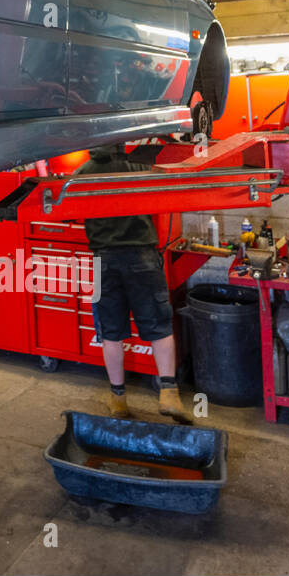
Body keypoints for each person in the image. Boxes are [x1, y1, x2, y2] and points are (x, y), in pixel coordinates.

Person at [75, 145, 191, 424]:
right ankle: (169, 393)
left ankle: (118, 400)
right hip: (142, 257)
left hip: (103, 261)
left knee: (111, 332)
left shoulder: (81, 175)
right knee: (159, 326)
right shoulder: (139, 168)